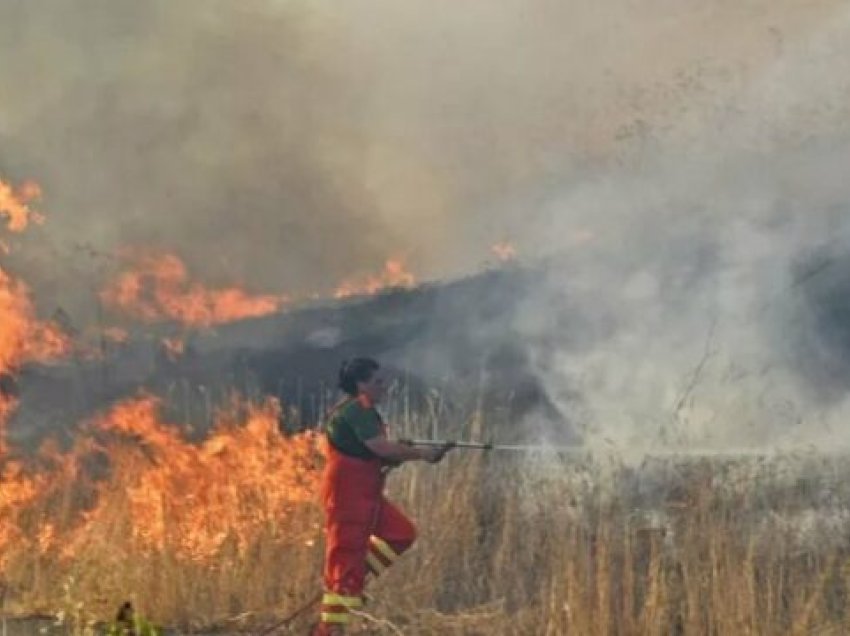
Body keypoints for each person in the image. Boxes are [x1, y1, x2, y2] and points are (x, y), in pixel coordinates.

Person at [314, 357, 449, 635]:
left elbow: (376, 452)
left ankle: (355, 580)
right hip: (347, 497)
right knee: (345, 558)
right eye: (377, 382)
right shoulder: (356, 411)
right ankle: (329, 630)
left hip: (366, 494)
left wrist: (399, 450)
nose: (384, 387)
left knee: (401, 533)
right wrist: (422, 454)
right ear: (361, 384)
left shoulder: (362, 411)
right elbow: (381, 449)